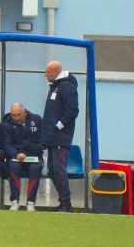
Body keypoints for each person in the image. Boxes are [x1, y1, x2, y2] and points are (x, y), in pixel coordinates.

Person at [42, 60, 80, 212]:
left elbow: (73, 110)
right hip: (52, 137)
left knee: (59, 169)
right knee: (52, 170)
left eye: (48, 72)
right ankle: (63, 201)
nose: (45, 74)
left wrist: (60, 124)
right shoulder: (55, 86)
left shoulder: (67, 87)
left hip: (61, 137)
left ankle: (66, 204)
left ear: (57, 71)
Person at [2, 102, 44, 212]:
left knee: (35, 168)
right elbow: (6, 144)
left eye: (19, 114)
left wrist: (26, 152)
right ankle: (15, 201)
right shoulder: (6, 124)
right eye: (13, 115)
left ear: (24, 112)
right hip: (16, 156)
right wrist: (16, 154)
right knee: (13, 166)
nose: (16, 118)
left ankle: (31, 202)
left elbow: (41, 142)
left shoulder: (36, 120)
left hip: (34, 155)